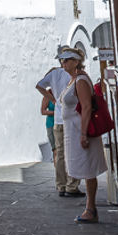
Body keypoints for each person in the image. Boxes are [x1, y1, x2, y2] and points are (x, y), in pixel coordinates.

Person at [58, 47, 106, 224]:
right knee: (85, 169)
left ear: (76, 61)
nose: (64, 63)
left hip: (81, 131)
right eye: (62, 60)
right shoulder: (73, 80)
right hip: (74, 131)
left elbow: (86, 107)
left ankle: (90, 209)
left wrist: (84, 134)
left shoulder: (80, 81)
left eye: (67, 59)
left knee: (88, 170)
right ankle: (90, 208)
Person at [36, 50, 84, 198]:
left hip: (58, 119)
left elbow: (39, 85)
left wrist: (52, 98)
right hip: (72, 119)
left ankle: (61, 186)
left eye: (65, 60)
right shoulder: (77, 75)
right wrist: (53, 99)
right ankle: (72, 186)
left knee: (61, 154)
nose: (64, 63)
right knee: (73, 152)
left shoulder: (54, 74)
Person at [42, 94, 56, 159]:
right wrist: (56, 112)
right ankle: (57, 168)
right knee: (55, 149)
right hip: (51, 124)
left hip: (63, 124)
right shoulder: (47, 95)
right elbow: (43, 111)